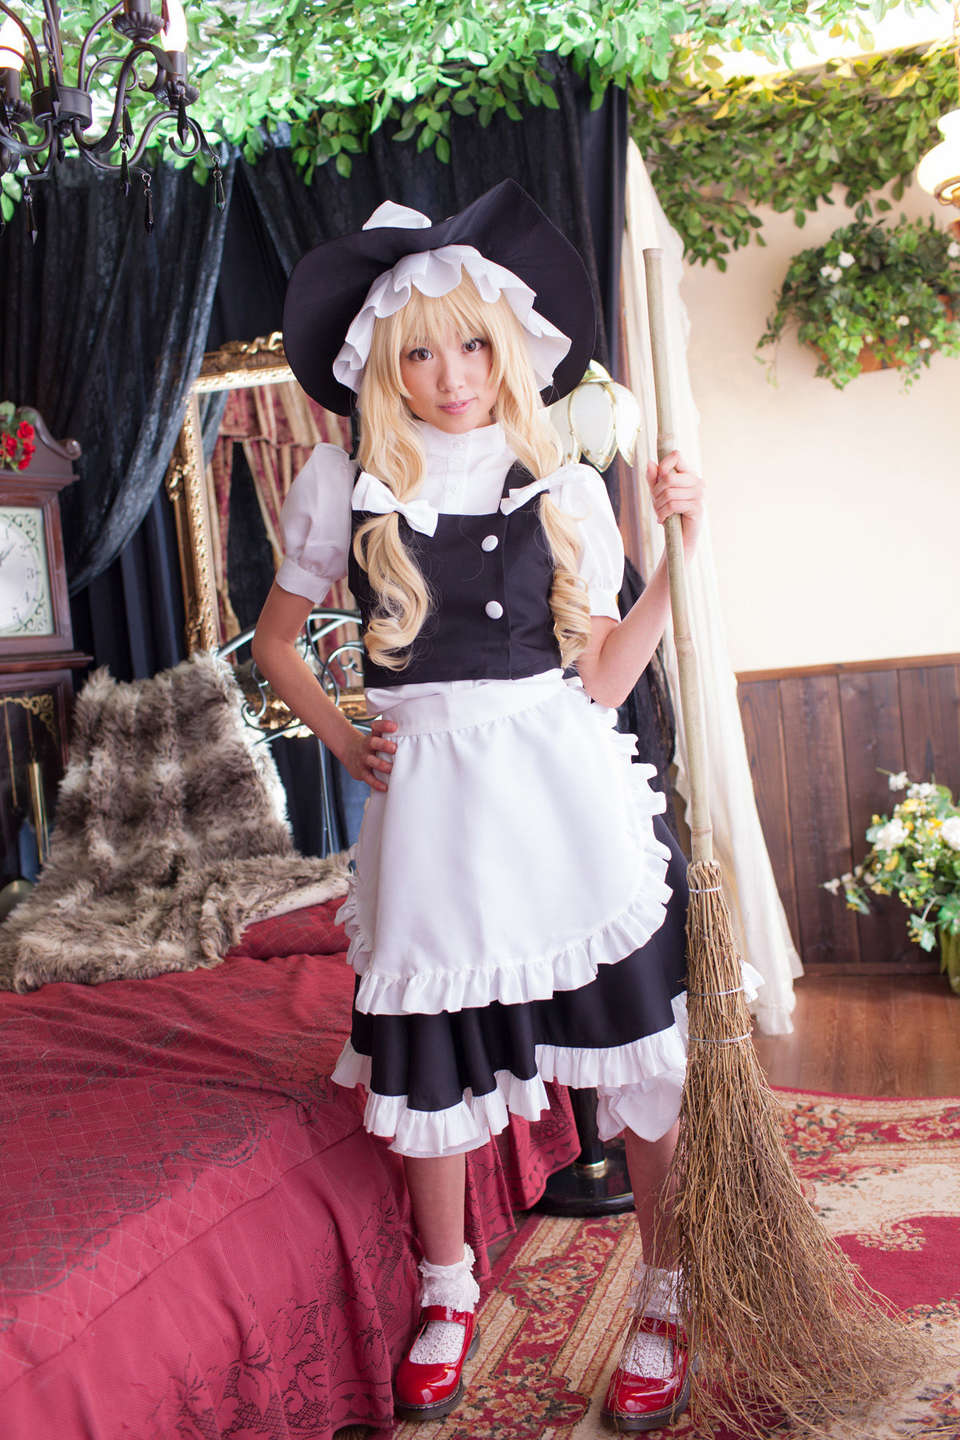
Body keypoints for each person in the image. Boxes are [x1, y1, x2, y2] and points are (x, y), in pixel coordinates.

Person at [252, 181, 729, 1432]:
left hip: (566, 801)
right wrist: (344, 736)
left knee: (639, 1064)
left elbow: (605, 676)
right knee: (430, 1069)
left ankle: (663, 1292)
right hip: (430, 819)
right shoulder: (345, 483)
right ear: (383, 364)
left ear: (508, 342)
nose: (452, 374)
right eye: (420, 352)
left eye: (471, 344)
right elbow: (276, 642)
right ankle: (448, 1289)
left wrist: (681, 558)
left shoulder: (560, 480)